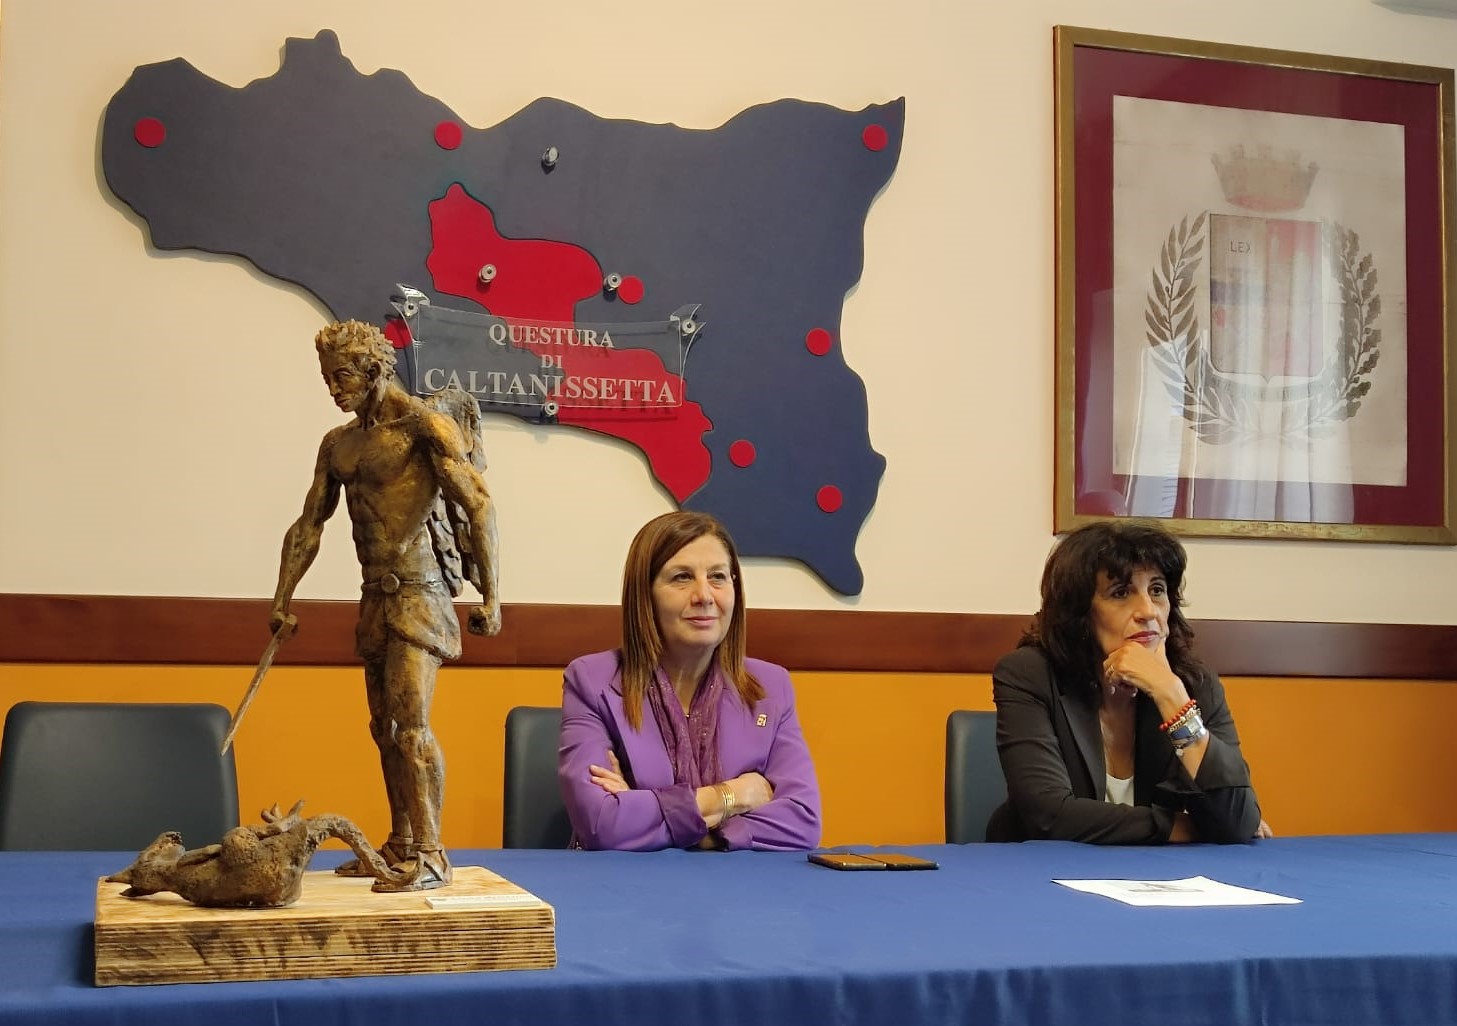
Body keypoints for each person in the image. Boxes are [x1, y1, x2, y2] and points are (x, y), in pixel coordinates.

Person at [269, 319, 500, 890]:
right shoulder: (338, 444)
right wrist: (283, 597)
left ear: (374, 369)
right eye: (326, 377)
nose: (332, 388)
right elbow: (309, 523)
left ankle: (430, 853)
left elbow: (478, 503)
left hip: (420, 595)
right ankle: (400, 840)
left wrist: (492, 596)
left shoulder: (424, 427)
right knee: (383, 726)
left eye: (341, 375)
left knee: (414, 727)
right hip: (375, 597)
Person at [986, 520, 1267, 844]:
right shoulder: (1030, 675)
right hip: (1041, 874)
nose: (1148, 611)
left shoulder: (1192, 684)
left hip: (1156, 881)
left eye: (1157, 590)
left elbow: (1238, 820)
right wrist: (1181, 827)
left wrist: (1171, 696)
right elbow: (1049, 816)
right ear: (1079, 612)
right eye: (1120, 593)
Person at [558, 511, 821, 851]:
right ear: (645, 595)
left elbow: (803, 822)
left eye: (717, 577)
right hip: (626, 891)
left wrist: (653, 814)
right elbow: (602, 825)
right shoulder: (591, 680)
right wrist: (733, 796)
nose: (704, 595)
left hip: (742, 893)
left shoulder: (772, 686)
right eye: (682, 577)